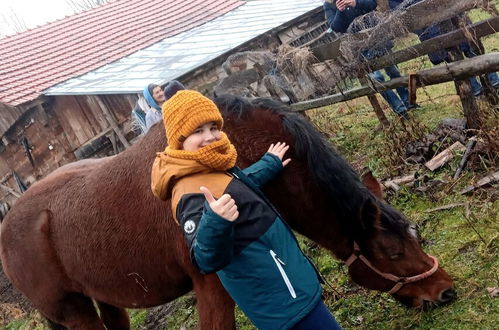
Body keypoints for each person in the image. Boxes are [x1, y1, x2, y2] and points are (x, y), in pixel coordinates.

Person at [150, 90, 342, 329]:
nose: (210, 137)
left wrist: (268, 164)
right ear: (179, 140)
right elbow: (205, 258)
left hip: (289, 286)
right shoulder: (189, 190)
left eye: (213, 127)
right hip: (281, 301)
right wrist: (216, 221)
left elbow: (237, 187)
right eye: (198, 131)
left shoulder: (208, 165)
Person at [324, 0, 416, 119]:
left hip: (377, 36)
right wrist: (340, 11)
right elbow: (335, 27)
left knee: (393, 71)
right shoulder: (329, 4)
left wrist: (356, 3)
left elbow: (372, 4)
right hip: (358, 46)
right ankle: (400, 109)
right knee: (377, 79)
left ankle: (409, 102)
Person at [389, 0, 499, 97]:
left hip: (453, 17)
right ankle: (476, 90)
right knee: (455, 60)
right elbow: (404, 17)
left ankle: (492, 83)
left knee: (472, 48)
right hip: (433, 29)